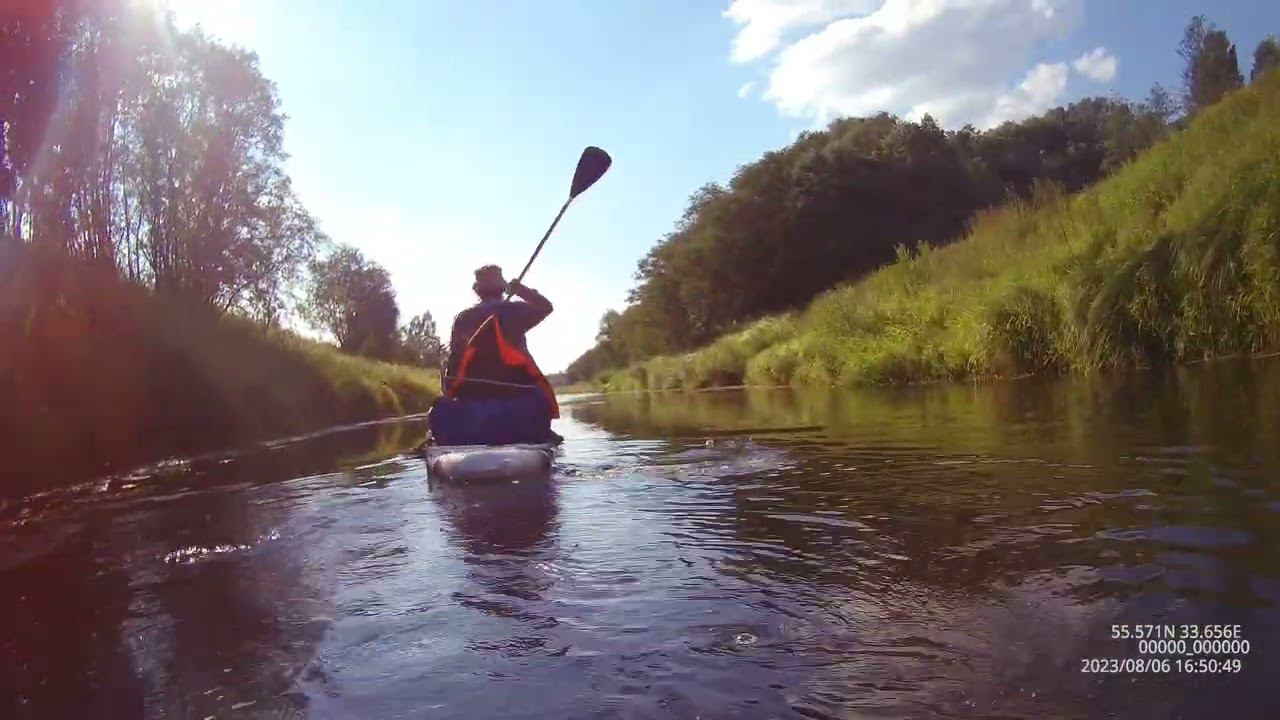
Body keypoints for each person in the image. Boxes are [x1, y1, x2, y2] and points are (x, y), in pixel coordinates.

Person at [431, 265, 562, 445]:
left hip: (472, 412)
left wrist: (449, 395)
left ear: (476, 290)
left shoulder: (463, 318)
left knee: (442, 408)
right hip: (520, 411)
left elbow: (454, 363)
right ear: (504, 287)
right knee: (538, 399)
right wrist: (521, 290)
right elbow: (545, 307)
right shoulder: (513, 311)